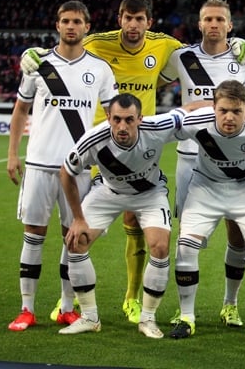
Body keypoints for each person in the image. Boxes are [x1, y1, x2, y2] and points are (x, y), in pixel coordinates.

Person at [20, 0, 245, 324]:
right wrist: (36, 52)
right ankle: (68, 302)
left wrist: (240, 45)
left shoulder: (167, 47)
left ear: (149, 21)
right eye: (127, 18)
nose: (133, 25)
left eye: (139, 18)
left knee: (136, 223)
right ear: (119, 19)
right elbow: (65, 50)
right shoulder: (99, 43)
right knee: (75, 226)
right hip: (101, 146)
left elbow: (207, 54)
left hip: (142, 141)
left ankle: (132, 297)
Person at [6, 0, 118, 331]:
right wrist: (13, 154)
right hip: (39, 164)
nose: (71, 26)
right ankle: (27, 309)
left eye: (77, 22)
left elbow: (114, 118)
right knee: (33, 237)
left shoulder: (99, 69)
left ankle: (67, 307)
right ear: (57, 26)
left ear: (87, 27)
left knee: (74, 239)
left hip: (77, 168)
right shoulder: (37, 64)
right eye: (65, 21)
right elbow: (19, 111)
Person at [159, 0, 245, 328]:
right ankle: (185, 309)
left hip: (236, 157)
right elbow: (150, 80)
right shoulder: (181, 58)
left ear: (230, 25)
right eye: (208, 19)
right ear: (199, 24)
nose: (213, 24)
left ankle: (230, 304)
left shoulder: (244, 56)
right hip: (191, 158)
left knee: (238, 235)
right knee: (188, 237)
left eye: (220, 19)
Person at [58, 93, 185, 338]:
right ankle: (89, 317)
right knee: (76, 242)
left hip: (150, 194)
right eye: (116, 119)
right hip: (108, 191)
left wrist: (230, 107)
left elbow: (188, 110)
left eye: (129, 120)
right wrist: (78, 218)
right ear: (108, 117)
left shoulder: (157, 127)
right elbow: (66, 172)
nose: (122, 126)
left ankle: (148, 319)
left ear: (140, 118)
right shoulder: (94, 139)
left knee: (160, 247)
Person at [169, 80, 245, 342]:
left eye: (237, 111)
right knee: (185, 246)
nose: (229, 118)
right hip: (205, 188)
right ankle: (186, 317)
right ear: (214, 108)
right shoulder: (196, 122)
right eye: (223, 111)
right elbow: (164, 123)